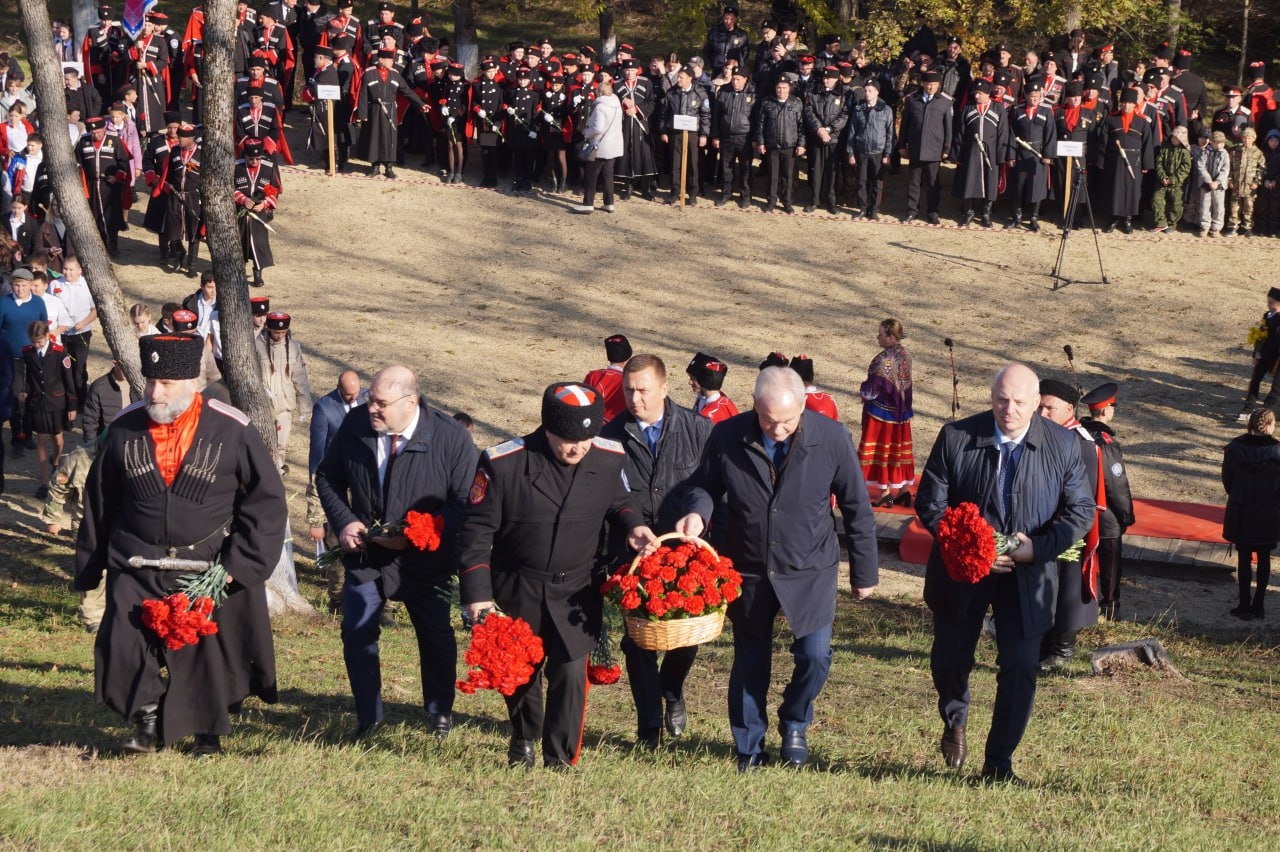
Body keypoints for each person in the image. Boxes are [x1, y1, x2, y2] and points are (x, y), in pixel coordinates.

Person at [73, 332, 286, 756]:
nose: (155, 392)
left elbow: (266, 503)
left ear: (193, 382)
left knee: (208, 648)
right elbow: (100, 501)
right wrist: (90, 564)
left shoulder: (232, 428)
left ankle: (207, 733)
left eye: (166, 383)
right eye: (151, 381)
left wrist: (240, 563)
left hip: (208, 567)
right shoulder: (124, 428)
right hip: (135, 561)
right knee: (124, 641)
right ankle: (147, 719)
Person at [674, 366, 879, 771]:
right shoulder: (728, 435)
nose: (778, 429)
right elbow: (703, 485)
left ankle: (795, 720)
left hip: (810, 566)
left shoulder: (833, 438)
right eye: (769, 421)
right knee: (751, 659)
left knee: (816, 656)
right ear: (754, 406)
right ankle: (749, 746)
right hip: (748, 564)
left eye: (787, 420)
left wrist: (865, 573)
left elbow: (857, 506)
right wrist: (698, 514)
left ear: (804, 405)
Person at [459, 382, 656, 768]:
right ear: (547, 428)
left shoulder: (608, 457)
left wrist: (634, 526)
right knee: (521, 673)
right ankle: (524, 736)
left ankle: (560, 757)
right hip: (520, 586)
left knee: (570, 673)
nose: (577, 448)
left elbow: (621, 502)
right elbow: (476, 533)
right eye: (568, 439)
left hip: (576, 590)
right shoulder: (503, 464)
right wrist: (478, 596)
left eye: (585, 438)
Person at [916, 364, 1093, 783]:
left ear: (1037, 404)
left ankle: (999, 764)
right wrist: (973, 548)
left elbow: (1081, 510)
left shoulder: (1063, 446)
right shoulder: (957, 437)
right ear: (990, 397)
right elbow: (931, 505)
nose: (1008, 410)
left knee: (1020, 665)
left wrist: (1040, 548)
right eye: (1000, 400)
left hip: (1027, 576)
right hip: (963, 571)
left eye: (1018, 402)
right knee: (949, 659)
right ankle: (955, 718)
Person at [315, 365, 476, 741]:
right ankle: (368, 716)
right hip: (367, 555)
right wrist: (345, 521)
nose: (371, 408)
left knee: (435, 635)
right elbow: (328, 476)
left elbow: (466, 503)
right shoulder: (356, 425)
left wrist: (421, 531)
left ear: (411, 403)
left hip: (426, 559)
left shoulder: (450, 438)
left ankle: (439, 712)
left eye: (381, 404)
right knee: (356, 631)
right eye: (371, 399)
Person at [600, 356, 712, 749]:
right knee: (638, 640)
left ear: (665, 388)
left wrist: (698, 515)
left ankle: (672, 689)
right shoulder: (610, 434)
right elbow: (609, 494)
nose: (634, 398)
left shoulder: (699, 429)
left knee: (685, 636)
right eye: (628, 390)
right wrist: (629, 526)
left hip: (684, 548)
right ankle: (649, 727)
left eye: (643, 389)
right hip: (633, 549)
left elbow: (711, 485)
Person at [1035, 378, 1103, 668]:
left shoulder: (1081, 443)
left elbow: (1082, 496)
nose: (1042, 414)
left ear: (1069, 409)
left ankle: (1062, 649)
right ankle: (1039, 643)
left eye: (1050, 408)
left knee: (1066, 589)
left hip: (1067, 529)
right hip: (1038, 526)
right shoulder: (1041, 433)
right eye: (1039, 407)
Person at [307, 369, 365, 613]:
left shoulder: (368, 401)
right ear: (339, 389)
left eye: (356, 393)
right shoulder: (324, 407)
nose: (353, 398)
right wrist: (314, 511)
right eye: (348, 394)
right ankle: (338, 600)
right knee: (336, 543)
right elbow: (317, 456)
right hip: (337, 482)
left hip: (362, 481)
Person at [1078, 382, 1135, 621]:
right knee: (1110, 566)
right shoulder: (1106, 442)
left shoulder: (1078, 435)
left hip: (1080, 509)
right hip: (1106, 516)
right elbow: (1116, 485)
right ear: (1106, 410)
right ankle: (1110, 607)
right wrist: (1126, 515)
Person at [1222, 408, 1280, 621]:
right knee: (1264, 558)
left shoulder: (1234, 448)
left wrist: (1239, 495)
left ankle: (1244, 605)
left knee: (1244, 558)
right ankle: (1259, 605)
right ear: (1270, 425)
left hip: (1242, 510)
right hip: (1268, 512)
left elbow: (1228, 481)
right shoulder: (1277, 451)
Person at [43, 442, 100, 630]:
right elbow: (58, 487)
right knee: (91, 568)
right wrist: (53, 518)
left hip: (119, 523)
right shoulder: (79, 457)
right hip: (85, 524)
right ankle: (93, 617)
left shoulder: (127, 453)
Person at [858, 319, 914, 507]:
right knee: (898, 452)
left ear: (890, 337)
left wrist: (863, 393)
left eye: (881, 334)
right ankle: (904, 490)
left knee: (881, 452)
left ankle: (885, 492)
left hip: (881, 415)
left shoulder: (883, 359)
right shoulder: (906, 355)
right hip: (901, 413)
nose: (878, 337)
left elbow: (872, 388)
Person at [20, 319, 77, 497]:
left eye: (39, 341)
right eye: (33, 342)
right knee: (42, 440)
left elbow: (69, 381)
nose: (36, 345)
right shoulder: (28, 353)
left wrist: (72, 405)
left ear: (47, 336)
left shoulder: (60, 353)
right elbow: (29, 378)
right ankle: (44, 482)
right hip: (38, 403)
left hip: (57, 403)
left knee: (57, 438)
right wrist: (25, 392)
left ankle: (57, 461)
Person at [255, 311, 312, 473]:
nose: (279, 336)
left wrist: (305, 406)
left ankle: (278, 469)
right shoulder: (256, 345)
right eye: (276, 332)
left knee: (281, 443)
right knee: (263, 442)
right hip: (264, 403)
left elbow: (300, 378)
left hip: (284, 403)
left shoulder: (294, 348)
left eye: (283, 332)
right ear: (268, 329)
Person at [899, 69, 952, 224]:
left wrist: (947, 148)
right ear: (922, 84)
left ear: (938, 85)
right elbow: (905, 125)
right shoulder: (912, 100)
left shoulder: (944, 102)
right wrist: (902, 145)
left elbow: (948, 128)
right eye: (928, 84)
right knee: (914, 182)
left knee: (933, 184)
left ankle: (933, 212)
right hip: (916, 148)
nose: (931, 87)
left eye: (934, 85)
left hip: (934, 150)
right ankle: (912, 210)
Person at [952, 78, 1007, 228]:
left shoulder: (998, 108)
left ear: (988, 94)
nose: (976, 96)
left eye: (980, 93)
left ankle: (986, 213)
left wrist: (1001, 155)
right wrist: (958, 153)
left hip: (991, 151)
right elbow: (960, 132)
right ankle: (969, 211)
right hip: (971, 150)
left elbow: (1003, 133)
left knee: (990, 182)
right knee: (969, 180)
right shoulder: (968, 108)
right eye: (975, 93)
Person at [1, 268, 45, 455]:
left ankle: (28, 434)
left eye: (24, 286)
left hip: (33, 357)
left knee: (32, 395)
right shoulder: (4, 303)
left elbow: (44, 326)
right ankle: (16, 437)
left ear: (30, 285)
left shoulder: (38, 303)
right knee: (16, 396)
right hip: (12, 358)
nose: (20, 289)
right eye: (16, 286)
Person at [1100, 88, 1154, 234]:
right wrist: (1101, 161)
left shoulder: (1142, 122)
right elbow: (1103, 142)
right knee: (1114, 190)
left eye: (1129, 103)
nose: (1126, 106)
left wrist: (1146, 163)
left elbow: (1148, 143)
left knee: (1131, 191)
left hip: (1134, 162)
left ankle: (1127, 219)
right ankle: (1113, 218)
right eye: (1124, 102)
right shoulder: (1111, 119)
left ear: (1134, 104)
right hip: (1115, 161)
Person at [1005, 80, 1057, 231]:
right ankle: (1017, 216)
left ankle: (1034, 217)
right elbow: (1012, 134)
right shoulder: (1018, 111)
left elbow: (1050, 135)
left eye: (1037, 96)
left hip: (1038, 155)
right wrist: (1011, 155)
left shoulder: (1046, 111)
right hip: (1021, 153)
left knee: (1037, 187)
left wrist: (1048, 155)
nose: (1034, 99)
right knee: (1018, 186)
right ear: (1026, 96)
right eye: (1031, 96)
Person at [74, 116, 131, 255]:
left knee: (111, 216)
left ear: (104, 129)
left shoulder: (115, 140)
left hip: (110, 185)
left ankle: (113, 246)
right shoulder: (83, 141)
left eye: (98, 132)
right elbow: (78, 163)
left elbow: (123, 162)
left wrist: (117, 177)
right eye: (93, 133)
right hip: (91, 184)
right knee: (94, 216)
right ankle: (98, 247)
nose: (96, 135)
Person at [232, 139, 281, 286]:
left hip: (259, 213)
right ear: (245, 156)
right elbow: (229, 188)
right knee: (240, 242)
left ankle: (258, 273)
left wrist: (264, 204)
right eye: (250, 159)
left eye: (257, 159)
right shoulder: (236, 167)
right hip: (240, 212)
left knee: (259, 243)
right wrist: (242, 199)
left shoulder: (268, 167)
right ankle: (239, 273)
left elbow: (275, 189)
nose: (254, 161)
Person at [754, 77, 805, 214]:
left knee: (788, 176)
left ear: (789, 88)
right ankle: (771, 201)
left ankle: (787, 202)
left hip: (790, 146)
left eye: (784, 87)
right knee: (772, 176)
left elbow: (801, 126)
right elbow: (760, 125)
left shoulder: (796, 103)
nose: (781, 91)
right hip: (772, 145)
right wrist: (761, 142)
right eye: (778, 87)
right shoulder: (767, 102)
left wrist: (801, 144)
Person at [572, 78, 623, 214]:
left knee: (591, 175)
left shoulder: (600, 106)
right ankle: (609, 203)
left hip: (600, 145)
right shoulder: (617, 104)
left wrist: (586, 132)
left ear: (599, 92)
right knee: (608, 175)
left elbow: (598, 128)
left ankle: (588, 204)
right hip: (614, 144)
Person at [661, 66, 710, 206]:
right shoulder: (672, 93)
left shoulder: (700, 93)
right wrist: (663, 131)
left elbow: (705, 115)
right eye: (678, 76)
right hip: (675, 133)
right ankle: (675, 191)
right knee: (675, 163)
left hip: (693, 134)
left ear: (690, 78)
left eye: (681, 77)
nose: (678, 79)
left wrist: (704, 135)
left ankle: (693, 193)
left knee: (693, 164)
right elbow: (664, 113)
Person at [802, 67, 848, 214]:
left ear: (836, 79)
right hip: (817, 138)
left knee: (832, 172)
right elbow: (808, 111)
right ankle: (814, 201)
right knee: (816, 171)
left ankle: (832, 203)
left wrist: (829, 130)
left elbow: (844, 115)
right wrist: (819, 129)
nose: (825, 80)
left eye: (829, 78)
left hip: (834, 139)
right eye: (824, 78)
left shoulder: (843, 94)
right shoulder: (814, 92)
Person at [847, 78, 894, 220]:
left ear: (877, 92)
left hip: (878, 152)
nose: (867, 93)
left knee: (876, 183)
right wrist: (850, 153)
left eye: (870, 91)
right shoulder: (858, 109)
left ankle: (873, 210)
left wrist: (887, 153)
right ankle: (862, 208)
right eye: (865, 90)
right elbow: (852, 132)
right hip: (862, 151)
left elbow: (890, 134)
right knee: (861, 181)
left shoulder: (886, 110)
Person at [613, 60, 658, 201]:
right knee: (627, 155)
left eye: (632, 70)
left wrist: (637, 109)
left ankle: (646, 189)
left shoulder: (646, 82)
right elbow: (613, 102)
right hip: (625, 125)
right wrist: (622, 103)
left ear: (637, 70)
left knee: (645, 156)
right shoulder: (617, 84)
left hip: (641, 124)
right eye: (627, 70)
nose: (629, 73)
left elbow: (651, 102)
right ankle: (629, 187)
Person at [81, 359, 135, 443]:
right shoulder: (99, 387)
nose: (127, 370)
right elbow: (90, 421)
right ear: (115, 363)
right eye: (123, 366)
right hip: (109, 442)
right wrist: (91, 446)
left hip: (133, 440)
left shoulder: (137, 385)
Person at [1226, 126, 1265, 237]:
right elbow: (1230, 167)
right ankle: (1233, 227)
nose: (1246, 140)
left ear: (1254, 138)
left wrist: (1257, 182)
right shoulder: (1235, 151)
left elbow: (1262, 169)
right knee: (1234, 206)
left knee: (1249, 207)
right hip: (1237, 184)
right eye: (1244, 138)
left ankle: (1247, 227)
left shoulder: (1258, 153)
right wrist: (1229, 180)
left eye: (1249, 138)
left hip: (1250, 185)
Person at [1151, 125, 1191, 233]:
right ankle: (1161, 223)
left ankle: (1172, 224)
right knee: (1156, 200)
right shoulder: (1165, 148)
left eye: (1177, 138)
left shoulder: (1185, 152)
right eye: (1173, 137)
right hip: (1162, 181)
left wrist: (1173, 179)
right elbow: (1159, 162)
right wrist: (1163, 177)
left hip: (1177, 184)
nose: (1174, 139)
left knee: (1176, 205)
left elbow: (1185, 168)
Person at [583, 333, 631, 422]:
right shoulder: (629, 381)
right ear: (627, 360)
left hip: (590, 424)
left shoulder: (592, 376)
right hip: (616, 429)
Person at [686, 352, 738, 423]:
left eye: (693, 378)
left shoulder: (710, 416)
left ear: (704, 380)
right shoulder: (703, 399)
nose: (690, 382)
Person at [1196, 131, 1229, 238]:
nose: (1219, 145)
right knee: (1205, 206)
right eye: (1216, 142)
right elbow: (1201, 166)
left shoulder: (1225, 154)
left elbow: (1225, 170)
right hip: (1206, 184)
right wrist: (1209, 180)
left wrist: (1217, 182)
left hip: (1219, 185)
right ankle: (1204, 226)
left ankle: (1216, 228)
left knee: (1219, 207)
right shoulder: (1205, 152)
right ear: (1211, 142)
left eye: (1221, 143)